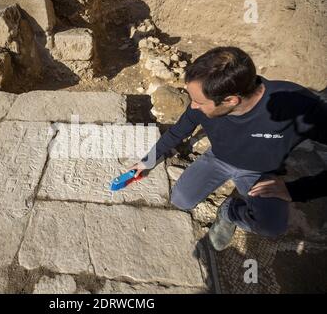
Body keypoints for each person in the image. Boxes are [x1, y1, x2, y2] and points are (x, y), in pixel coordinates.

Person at [130, 46, 327, 251]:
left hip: (260, 172)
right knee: (181, 200)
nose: (193, 106)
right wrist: (149, 159)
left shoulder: (296, 106)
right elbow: (178, 131)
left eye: (198, 101)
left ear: (231, 100)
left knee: (271, 226)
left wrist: (295, 190)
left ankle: (230, 212)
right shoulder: (203, 100)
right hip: (217, 158)